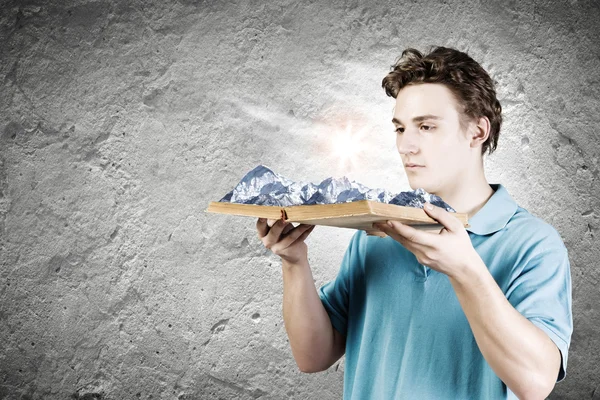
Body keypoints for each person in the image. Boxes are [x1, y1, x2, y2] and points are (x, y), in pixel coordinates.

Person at [255, 46, 572, 399]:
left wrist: (465, 270)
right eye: (400, 128)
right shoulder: (378, 233)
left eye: (426, 126)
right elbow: (312, 356)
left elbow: (535, 383)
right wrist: (294, 261)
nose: (406, 145)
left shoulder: (534, 245)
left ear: (478, 132)